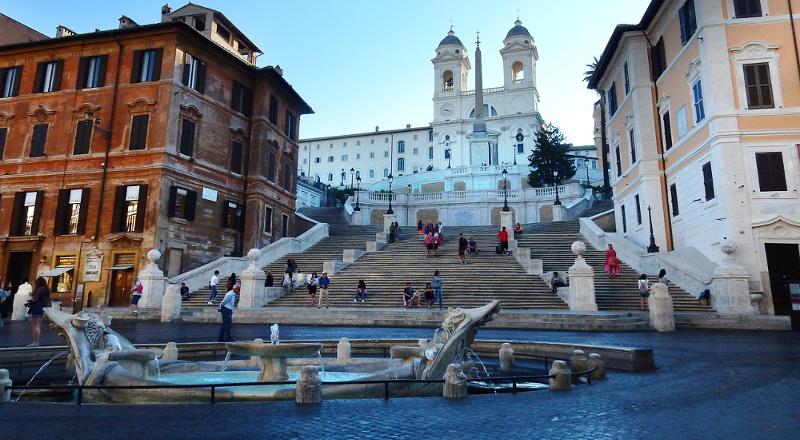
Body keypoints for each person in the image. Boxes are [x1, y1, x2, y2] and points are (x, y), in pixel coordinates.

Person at [28, 277, 51, 347]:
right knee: (38, 325)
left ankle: (35, 342)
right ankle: (36, 342)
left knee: (35, 326)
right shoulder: (47, 289)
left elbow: (35, 299)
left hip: (37, 307)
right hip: (42, 308)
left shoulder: (40, 289)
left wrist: (31, 297)